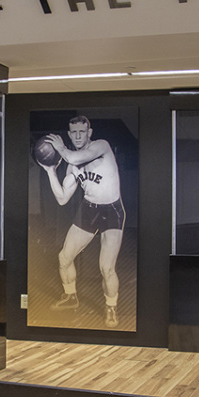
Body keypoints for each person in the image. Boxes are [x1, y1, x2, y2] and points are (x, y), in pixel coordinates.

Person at [39, 116, 124, 328]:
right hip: (90, 209)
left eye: (81, 132)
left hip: (112, 211)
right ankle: (70, 296)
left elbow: (74, 158)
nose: (77, 136)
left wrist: (59, 148)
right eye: (73, 133)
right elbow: (61, 198)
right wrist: (50, 171)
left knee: (106, 268)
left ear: (89, 133)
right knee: (64, 257)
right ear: (69, 134)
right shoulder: (72, 166)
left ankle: (111, 307)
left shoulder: (100, 146)